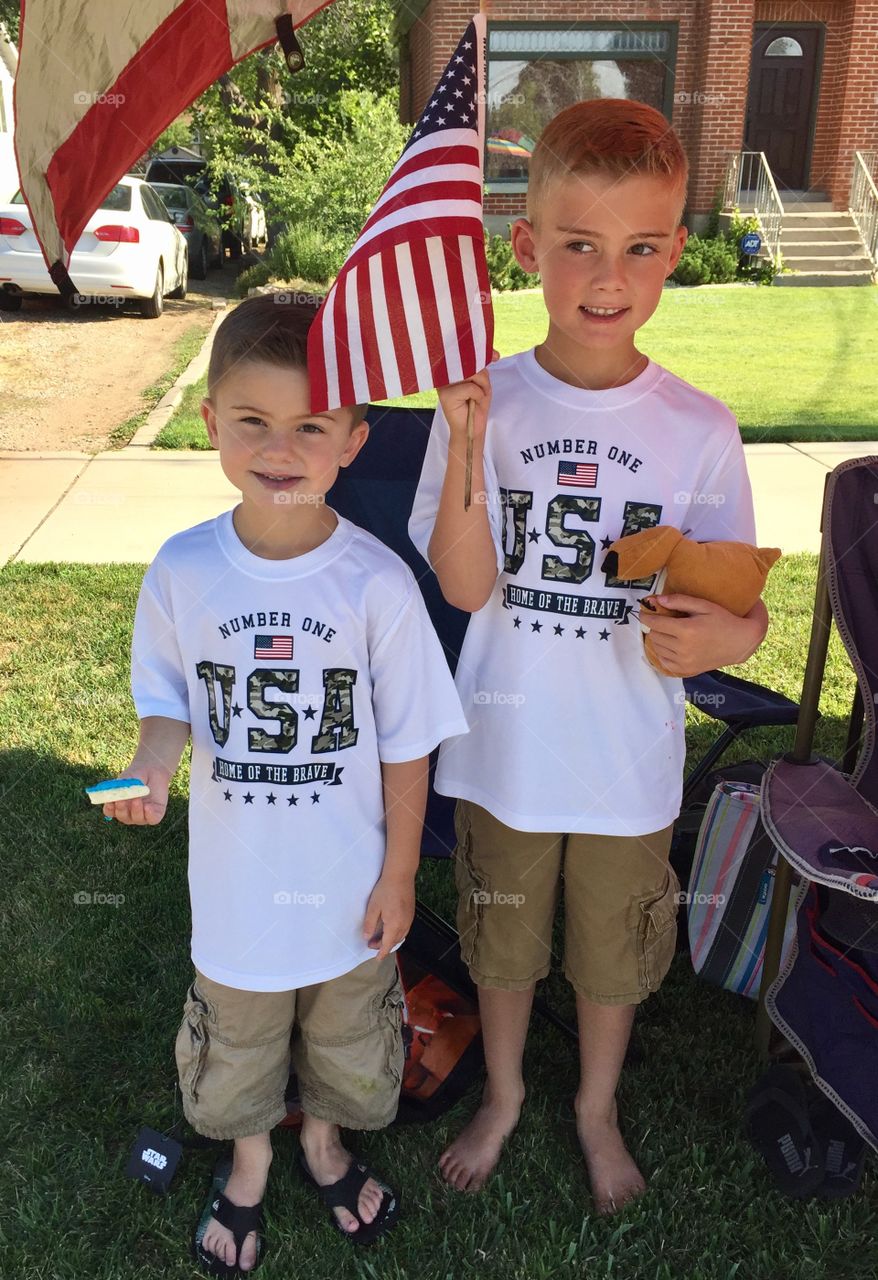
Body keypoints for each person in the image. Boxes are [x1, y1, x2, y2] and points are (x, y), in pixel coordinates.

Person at [409, 98, 769, 1214]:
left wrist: (730, 632)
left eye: (639, 248)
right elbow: (466, 584)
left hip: (625, 761)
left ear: (673, 249)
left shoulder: (698, 426)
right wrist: (469, 444)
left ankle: (593, 1104)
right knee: (504, 942)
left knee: (613, 952)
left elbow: (736, 603)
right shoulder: (486, 404)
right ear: (524, 248)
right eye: (577, 244)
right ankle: (509, 1089)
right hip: (505, 748)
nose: (606, 278)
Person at [104, 294, 469, 1272]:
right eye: (252, 420)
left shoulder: (375, 583)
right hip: (234, 896)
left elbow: (406, 742)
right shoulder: (183, 570)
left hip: (351, 888)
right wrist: (150, 764)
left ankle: (323, 1140)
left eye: (309, 424)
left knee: (348, 1038)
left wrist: (400, 871)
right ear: (210, 420)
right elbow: (167, 701)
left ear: (351, 437)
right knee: (239, 1049)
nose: (280, 445)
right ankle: (254, 1157)